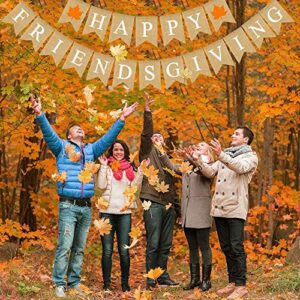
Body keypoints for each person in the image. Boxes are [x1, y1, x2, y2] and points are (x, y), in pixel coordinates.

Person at [30, 97, 138, 298]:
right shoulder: (62, 148)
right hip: (68, 206)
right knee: (65, 245)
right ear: (69, 134)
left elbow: (108, 139)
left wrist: (122, 118)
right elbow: (48, 133)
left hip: (85, 207)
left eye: (82, 128)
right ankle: (59, 283)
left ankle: (74, 282)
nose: (80, 130)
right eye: (76, 128)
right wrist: (39, 114)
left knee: (79, 248)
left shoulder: (90, 151)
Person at [191, 127, 258, 300]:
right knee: (226, 247)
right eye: (233, 133)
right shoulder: (225, 155)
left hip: (235, 207)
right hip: (219, 207)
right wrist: (197, 160)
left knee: (236, 247)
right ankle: (232, 282)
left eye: (237, 134)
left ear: (246, 140)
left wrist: (221, 154)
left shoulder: (250, 157)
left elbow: (240, 168)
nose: (232, 136)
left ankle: (241, 285)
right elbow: (209, 172)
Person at [139, 93, 180, 290]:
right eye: (155, 137)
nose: (157, 138)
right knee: (153, 242)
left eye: (160, 138)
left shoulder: (168, 162)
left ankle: (162, 276)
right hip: (152, 202)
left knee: (165, 244)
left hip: (168, 205)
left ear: (164, 143)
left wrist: (178, 211)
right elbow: (146, 134)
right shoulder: (147, 153)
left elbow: (174, 189)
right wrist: (148, 112)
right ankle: (150, 278)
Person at [161, 142, 214, 292]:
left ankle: (206, 280)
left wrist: (190, 158)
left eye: (202, 146)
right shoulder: (188, 165)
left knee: (204, 246)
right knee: (192, 247)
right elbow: (172, 167)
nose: (197, 146)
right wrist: (161, 151)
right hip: (188, 213)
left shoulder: (210, 165)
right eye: (196, 145)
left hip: (201, 211)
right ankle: (195, 279)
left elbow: (202, 171)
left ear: (208, 153)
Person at [97, 140, 147, 292]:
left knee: (124, 250)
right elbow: (100, 185)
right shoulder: (107, 166)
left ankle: (125, 284)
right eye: (116, 149)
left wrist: (141, 171)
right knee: (107, 250)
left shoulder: (130, 167)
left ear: (125, 151)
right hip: (106, 212)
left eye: (121, 150)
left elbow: (135, 187)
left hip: (124, 213)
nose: (118, 152)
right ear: (112, 151)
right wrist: (104, 166)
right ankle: (106, 285)